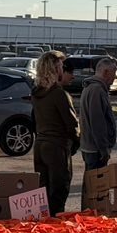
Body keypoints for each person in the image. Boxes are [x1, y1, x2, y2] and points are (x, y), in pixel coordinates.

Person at [30, 49, 79, 211]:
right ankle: (55, 227)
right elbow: (72, 124)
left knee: (43, 192)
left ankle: (43, 225)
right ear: (54, 68)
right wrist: (75, 142)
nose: (62, 69)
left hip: (41, 145)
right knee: (59, 191)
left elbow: (35, 119)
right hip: (57, 145)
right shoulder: (59, 94)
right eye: (60, 65)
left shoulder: (37, 93)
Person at [79, 56, 117, 171]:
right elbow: (97, 123)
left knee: (90, 183)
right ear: (106, 72)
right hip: (95, 150)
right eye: (114, 73)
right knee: (95, 185)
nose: (115, 77)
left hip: (90, 147)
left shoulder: (90, 88)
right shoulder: (97, 90)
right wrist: (103, 149)